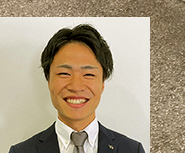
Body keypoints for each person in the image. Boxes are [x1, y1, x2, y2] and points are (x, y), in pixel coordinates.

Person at [8, 24, 145, 153]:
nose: (76, 87)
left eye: (88, 74)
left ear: (102, 83)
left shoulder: (132, 150)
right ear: (48, 80)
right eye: (64, 73)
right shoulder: (21, 151)